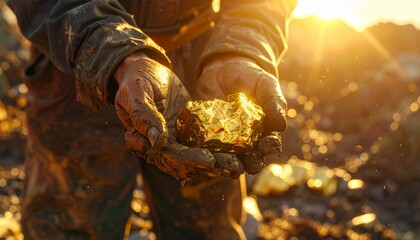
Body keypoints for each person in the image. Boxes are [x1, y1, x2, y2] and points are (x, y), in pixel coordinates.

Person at [6, 0, 296, 239]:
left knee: (204, 229)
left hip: (200, 64)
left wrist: (243, 48)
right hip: (73, 59)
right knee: (69, 228)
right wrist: (113, 50)